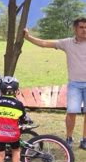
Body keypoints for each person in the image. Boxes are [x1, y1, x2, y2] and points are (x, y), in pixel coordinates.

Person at [24, 20, 86, 149]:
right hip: (74, 84)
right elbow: (44, 43)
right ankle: (69, 138)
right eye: (81, 27)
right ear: (74, 28)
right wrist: (28, 37)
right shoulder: (67, 43)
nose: (84, 30)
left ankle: (84, 140)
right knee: (71, 112)